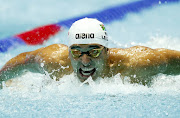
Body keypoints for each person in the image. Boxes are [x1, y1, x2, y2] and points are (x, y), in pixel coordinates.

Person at [0, 18, 180, 89]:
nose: (85, 61)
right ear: (69, 52)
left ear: (106, 51)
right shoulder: (54, 61)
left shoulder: (138, 64)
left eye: (93, 51)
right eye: (77, 52)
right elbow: (24, 59)